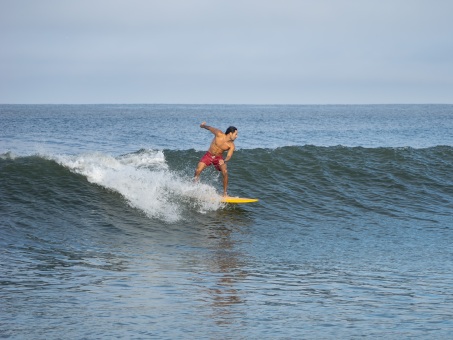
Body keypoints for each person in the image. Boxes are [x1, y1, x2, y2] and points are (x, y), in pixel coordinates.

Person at [194, 122, 238, 196]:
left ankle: (224, 193)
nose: (236, 136)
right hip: (209, 155)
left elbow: (229, 156)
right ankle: (194, 186)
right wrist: (202, 126)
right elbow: (209, 128)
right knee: (198, 170)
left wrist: (224, 161)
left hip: (219, 158)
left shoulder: (231, 145)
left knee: (225, 171)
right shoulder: (219, 133)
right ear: (230, 133)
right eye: (235, 134)